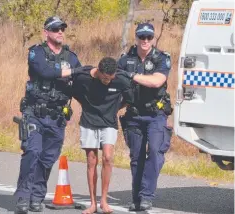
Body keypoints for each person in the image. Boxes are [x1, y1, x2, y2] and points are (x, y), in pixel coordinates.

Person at [13, 16, 83, 214]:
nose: (60, 31)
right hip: (35, 112)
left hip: (57, 116)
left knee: (48, 158)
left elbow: (79, 79)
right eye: (55, 29)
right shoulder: (37, 52)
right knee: (32, 152)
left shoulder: (71, 57)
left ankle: (37, 197)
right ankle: (23, 198)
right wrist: (71, 72)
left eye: (62, 28)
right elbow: (44, 71)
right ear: (46, 32)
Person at [118, 22, 173, 211]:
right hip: (134, 115)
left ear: (153, 38)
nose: (146, 41)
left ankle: (146, 196)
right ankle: (136, 198)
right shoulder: (125, 60)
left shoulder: (161, 58)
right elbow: (117, 88)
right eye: (142, 37)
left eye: (149, 37)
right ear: (136, 38)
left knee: (156, 154)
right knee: (136, 157)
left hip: (155, 114)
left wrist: (131, 76)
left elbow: (157, 81)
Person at [71, 57, 134, 214]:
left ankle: (103, 201)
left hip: (109, 123)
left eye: (111, 78)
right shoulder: (84, 77)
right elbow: (74, 92)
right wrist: (87, 106)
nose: (108, 81)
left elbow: (130, 98)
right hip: (88, 122)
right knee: (91, 161)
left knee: (107, 157)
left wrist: (115, 108)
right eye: (105, 78)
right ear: (98, 72)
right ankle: (92, 203)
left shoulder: (121, 80)